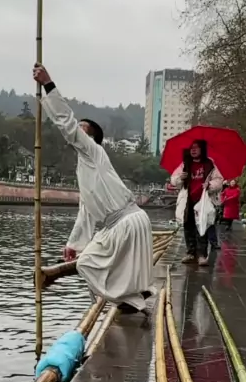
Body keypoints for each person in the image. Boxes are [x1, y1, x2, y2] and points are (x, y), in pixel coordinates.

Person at [33, 64, 155, 312]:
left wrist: (48, 84)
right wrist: (73, 244)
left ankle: (131, 299)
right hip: (127, 223)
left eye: (83, 128)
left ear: (91, 138)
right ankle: (134, 297)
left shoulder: (94, 151)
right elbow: (86, 214)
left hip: (126, 223)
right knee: (92, 261)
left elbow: (66, 123)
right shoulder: (87, 168)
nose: (77, 130)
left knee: (87, 263)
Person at [171, 140, 223, 266]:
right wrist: (180, 178)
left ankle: (202, 255)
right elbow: (174, 180)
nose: (193, 150)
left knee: (202, 227)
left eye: (196, 147)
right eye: (191, 148)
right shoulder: (185, 164)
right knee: (188, 226)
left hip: (203, 200)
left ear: (202, 149)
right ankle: (191, 253)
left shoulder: (209, 164)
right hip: (188, 200)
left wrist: (209, 185)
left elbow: (219, 180)